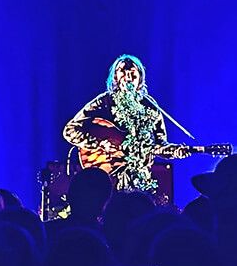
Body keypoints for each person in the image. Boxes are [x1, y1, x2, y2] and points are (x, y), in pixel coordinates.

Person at [63, 54, 190, 197]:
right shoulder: (105, 102)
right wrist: (100, 143)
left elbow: (159, 145)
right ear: (116, 77)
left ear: (140, 78)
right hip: (108, 176)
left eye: (133, 73)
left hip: (140, 178)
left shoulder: (150, 106)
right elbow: (70, 130)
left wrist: (175, 151)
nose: (128, 76)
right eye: (123, 71)